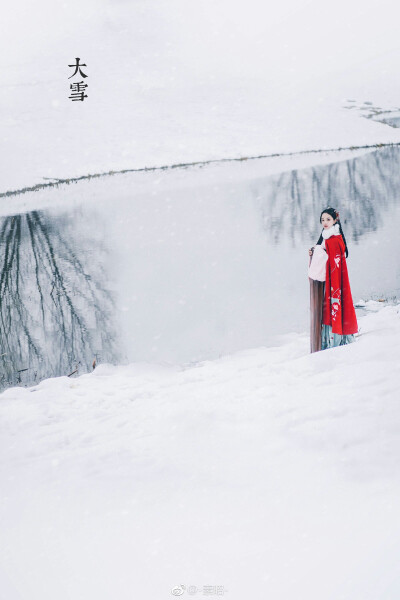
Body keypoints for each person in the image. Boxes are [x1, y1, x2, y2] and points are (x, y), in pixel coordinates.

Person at [308, 207, 358, 350]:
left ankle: (336, 338)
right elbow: (321, 251)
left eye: (328, 219)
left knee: (334, 304)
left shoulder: (334, 239)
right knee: (333, 304)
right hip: (332, 278)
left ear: (335, 220)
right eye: (322, 220)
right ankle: (334, 337)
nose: (325, 222)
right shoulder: (327, 236)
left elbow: (330, 257)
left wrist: (318, 252)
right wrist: (314, 250)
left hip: (335, 279)